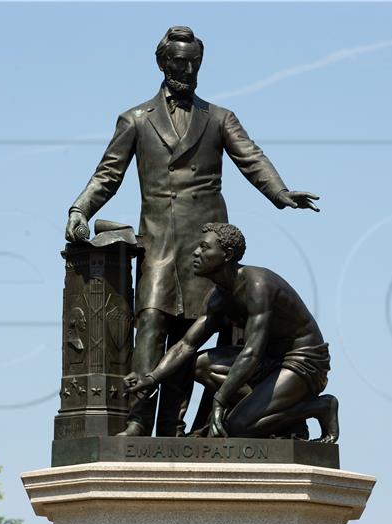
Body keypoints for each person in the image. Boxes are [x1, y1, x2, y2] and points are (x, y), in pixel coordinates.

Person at [65, 26, 320, 437]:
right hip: (160, 243)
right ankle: (137, 419)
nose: (188, 70)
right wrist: (80, 208)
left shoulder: (219, 118)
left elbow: (251, 157)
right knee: (150, 324)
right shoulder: (135, 119)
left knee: (190, 335)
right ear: (163, 63)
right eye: (180, 62)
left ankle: (171, 427)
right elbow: (108, 174)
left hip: (207, 245)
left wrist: (280, 192)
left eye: (195, 63)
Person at [124, 223, 339, 443]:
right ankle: (268, 413)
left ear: (226, 255)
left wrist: (220, 401)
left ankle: (319, 407)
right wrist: (152, 377)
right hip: (267, 362)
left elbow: (252, 352)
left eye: (204, 248)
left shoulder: (257, 285)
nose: (196, 253)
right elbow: (186, 345)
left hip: (302, 363)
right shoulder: (218, 296)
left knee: (239, 427)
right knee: (199, 364)